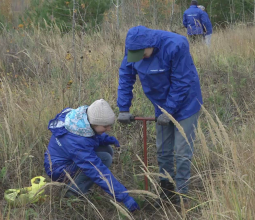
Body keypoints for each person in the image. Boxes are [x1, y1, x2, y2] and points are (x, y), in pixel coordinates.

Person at [117, 26, 203, 207]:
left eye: (142, 54)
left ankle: (182, 195)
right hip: (161, 105)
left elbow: (182, 81)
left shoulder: (176, 45)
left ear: (150, 45)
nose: (139, 58)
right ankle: (166, 190)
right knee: (163, 151)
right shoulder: (133, 48)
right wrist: (123, 108)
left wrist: (169, 110)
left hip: (186, 103)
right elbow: (126, 75)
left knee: (181, 151)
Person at [44, 99, 139, 212]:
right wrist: (124, 197)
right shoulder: (76, 142)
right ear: (94, 123)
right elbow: (97, 170)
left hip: (68, 160)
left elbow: (91, 135)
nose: (108, 129)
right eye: (105, 126)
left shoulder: (80, 122)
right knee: (104, 159)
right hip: (58, 170)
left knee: (106, 149)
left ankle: (78, 184)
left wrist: (107, 139)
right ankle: (72, 192)